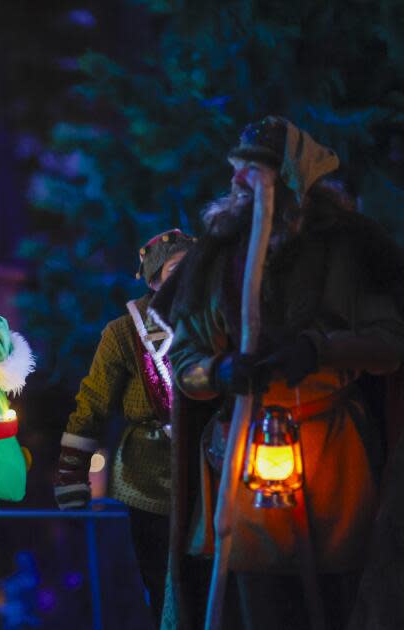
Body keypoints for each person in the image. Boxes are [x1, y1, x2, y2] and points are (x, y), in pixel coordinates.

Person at [151, 116, 404, 629]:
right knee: (259, 606)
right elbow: (186, 361)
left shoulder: (348, 251)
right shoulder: (217, 257)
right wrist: (221, 370)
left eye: (262, 172)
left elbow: (389, 344)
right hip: (244, 458)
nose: (246, 183)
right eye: (242, 172)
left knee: (344, 600)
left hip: (334, 459)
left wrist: (319, 350)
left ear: (292, 177)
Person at [54, 228, 195, 625]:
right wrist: (71, 474)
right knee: (162, 583)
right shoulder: (122, 334)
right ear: (154, 280)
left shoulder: (214, 322)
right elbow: (92, 405)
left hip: (211, 468)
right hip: (149, 475)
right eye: (175, 270)